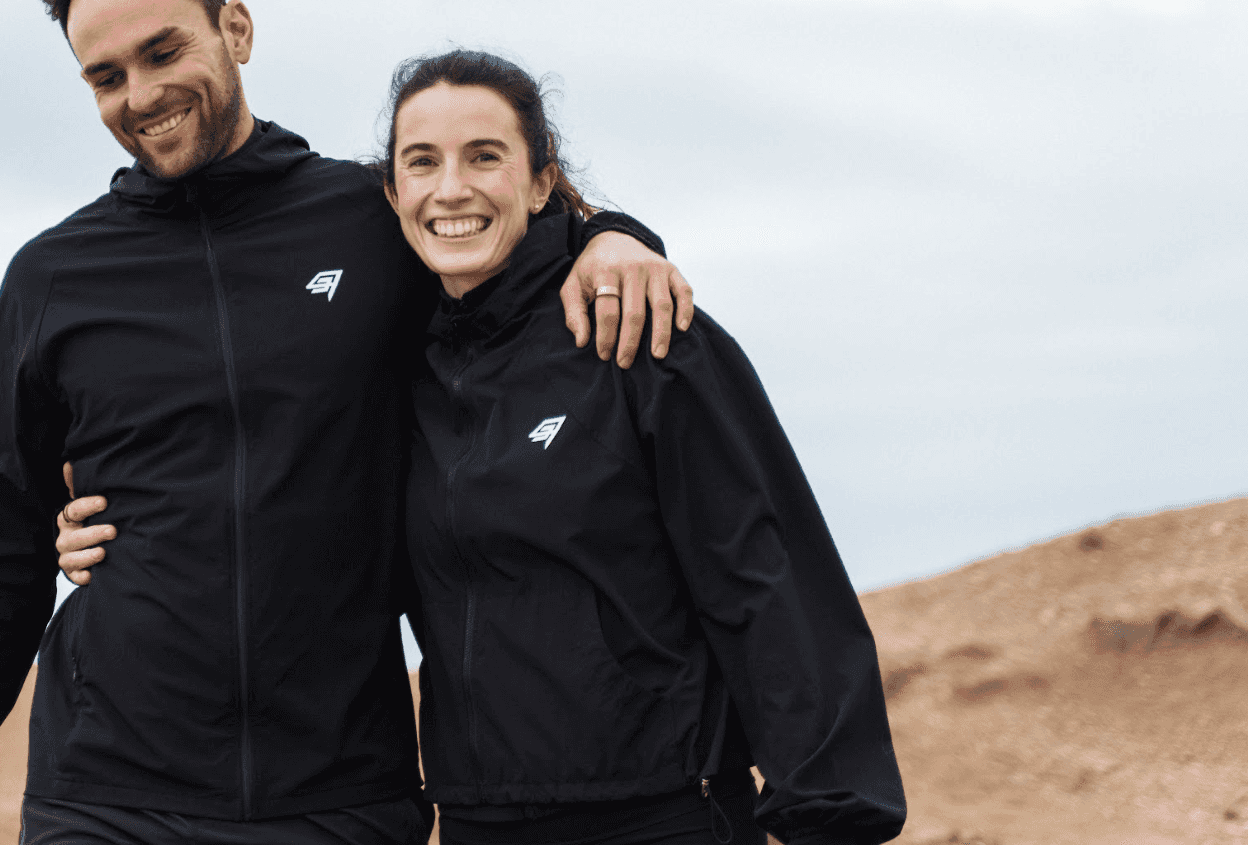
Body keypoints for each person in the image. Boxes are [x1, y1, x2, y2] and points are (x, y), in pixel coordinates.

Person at [0, 0, 692, 845]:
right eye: (106, 76)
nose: (140, 93)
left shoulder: (371, 222)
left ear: (237, 32)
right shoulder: (54, 278)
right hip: (109, 797)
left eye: (162, 50)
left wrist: (617, 234)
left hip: (341, 795)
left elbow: (503, 230)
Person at [375, 50, 906, 845]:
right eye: (423, 163)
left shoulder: (641, 334)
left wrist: (833, 821)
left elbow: (765, 580)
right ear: (393, 192)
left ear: (542, 181)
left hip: (664, 812)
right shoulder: (393, 369)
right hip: (480, 820)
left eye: (485, 156)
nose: (451, 189)